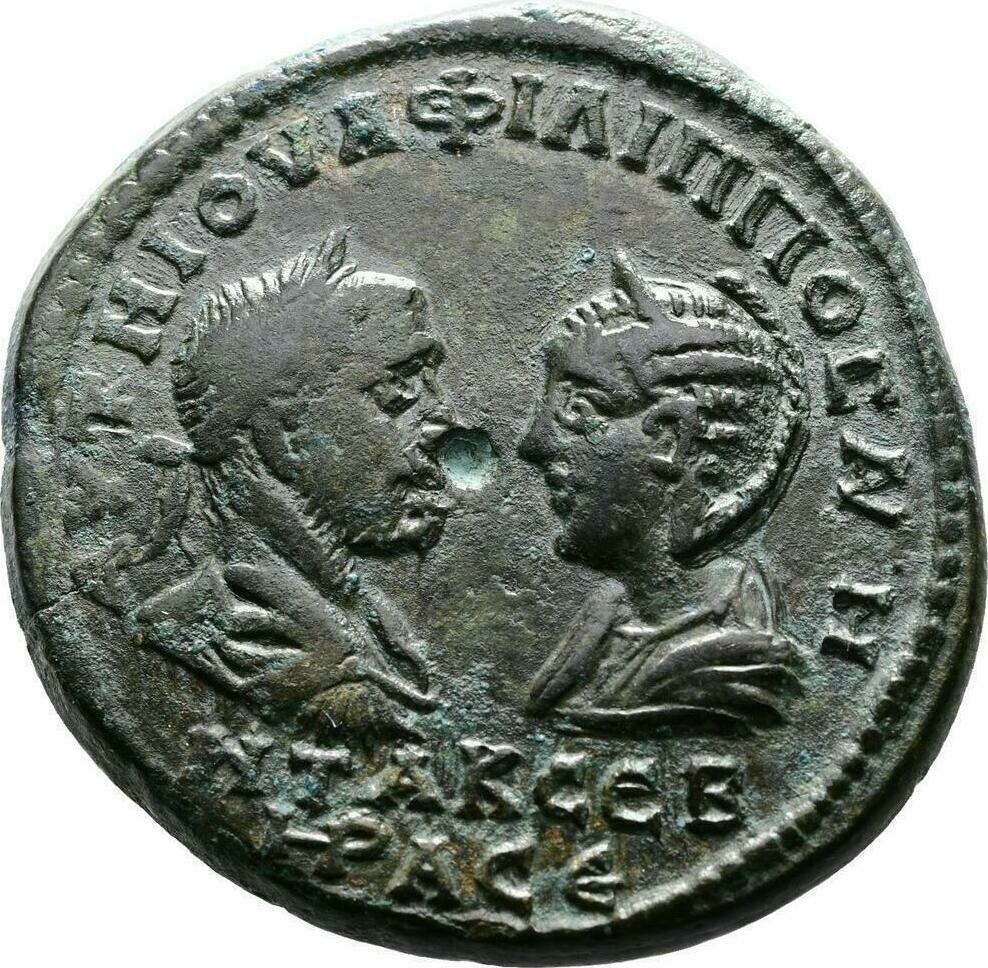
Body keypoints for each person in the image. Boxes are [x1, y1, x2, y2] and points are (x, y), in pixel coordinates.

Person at [79, 231, 458, 741]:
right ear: (283, 433)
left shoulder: (359, 614)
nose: (444, 419)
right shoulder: (215, 634)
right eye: (399, 387)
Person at [519, 251, 807, 735]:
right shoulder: (609, 623)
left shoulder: (736, 675)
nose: (534, 443)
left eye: (578, 409)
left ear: (671, 438)